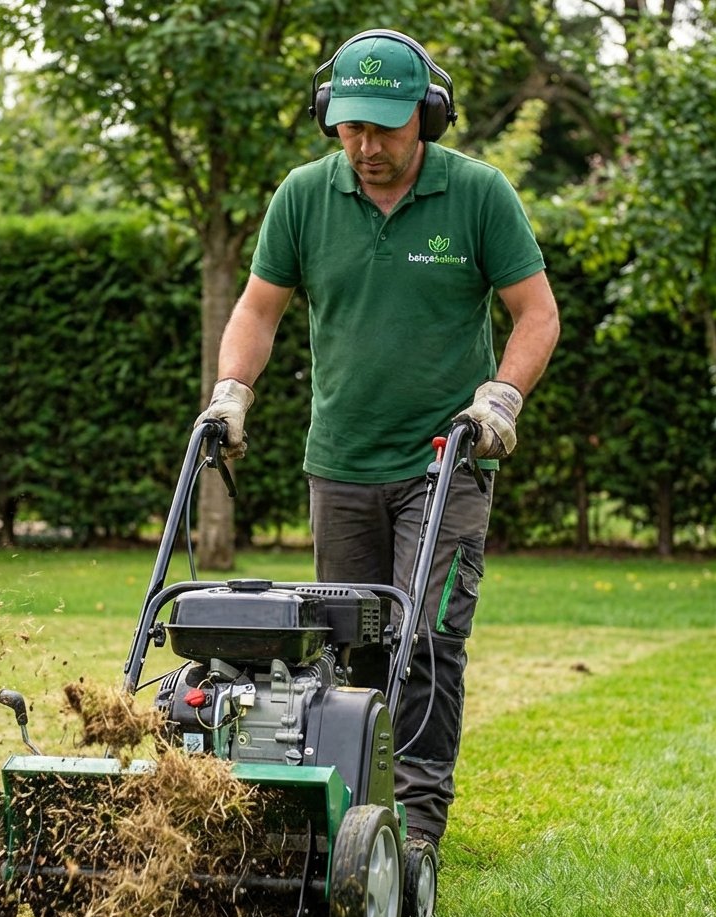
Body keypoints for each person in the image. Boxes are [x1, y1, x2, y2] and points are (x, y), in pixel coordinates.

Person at [197, 29, 559, 851]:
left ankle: (420, 827)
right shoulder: (303, 196)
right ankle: (355, 812)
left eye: (384, 129)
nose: (365, 147)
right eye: (350, 128)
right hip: (342, 466)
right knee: (347, 650)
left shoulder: (478, 194)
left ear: (425, 118)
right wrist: (231, 394)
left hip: (447, 464)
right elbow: (259, 308)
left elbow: (535, 313)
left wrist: (501, 397)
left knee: (428, 641)